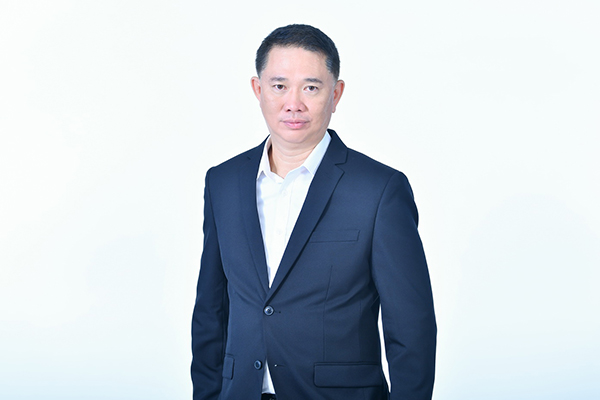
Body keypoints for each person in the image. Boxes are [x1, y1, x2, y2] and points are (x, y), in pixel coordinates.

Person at [191, 24, 436, 400]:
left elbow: (411, 326)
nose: (293, 104)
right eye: (279, 86)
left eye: (311, 88)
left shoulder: (379, 190)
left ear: (335, 94)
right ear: (258, 90)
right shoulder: (223, 182)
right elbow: (211, 309)